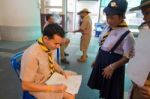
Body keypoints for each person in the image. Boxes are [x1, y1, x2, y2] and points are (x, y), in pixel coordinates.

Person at [87, 0, 135, 99]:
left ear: (122, 16)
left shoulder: (127, 35)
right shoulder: (107, 27)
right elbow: (102, 46)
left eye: (112, 17)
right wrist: (97, 60)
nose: (109, 20)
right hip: (102, 59)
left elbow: (127, 57)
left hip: (114, 64)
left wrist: (112, 67)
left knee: (111, 91)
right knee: (103, 87)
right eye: (107, 16)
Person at [20, 24, 76, 99]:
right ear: (46, 38)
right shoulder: (32, 55)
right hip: (38, 84)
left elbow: (51, 61)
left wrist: (61, 71)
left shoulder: (49, 46)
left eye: (60, 44)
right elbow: (25, 85)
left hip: (50, 77)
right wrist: (54, 88)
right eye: (56, 43)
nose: (58, 47)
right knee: (70, 96)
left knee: (73, 76)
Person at [128, 0, 150, 99]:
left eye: (148, 13)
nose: (144, 18)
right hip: (137, 88)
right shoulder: (146, 35)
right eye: (143, 14)